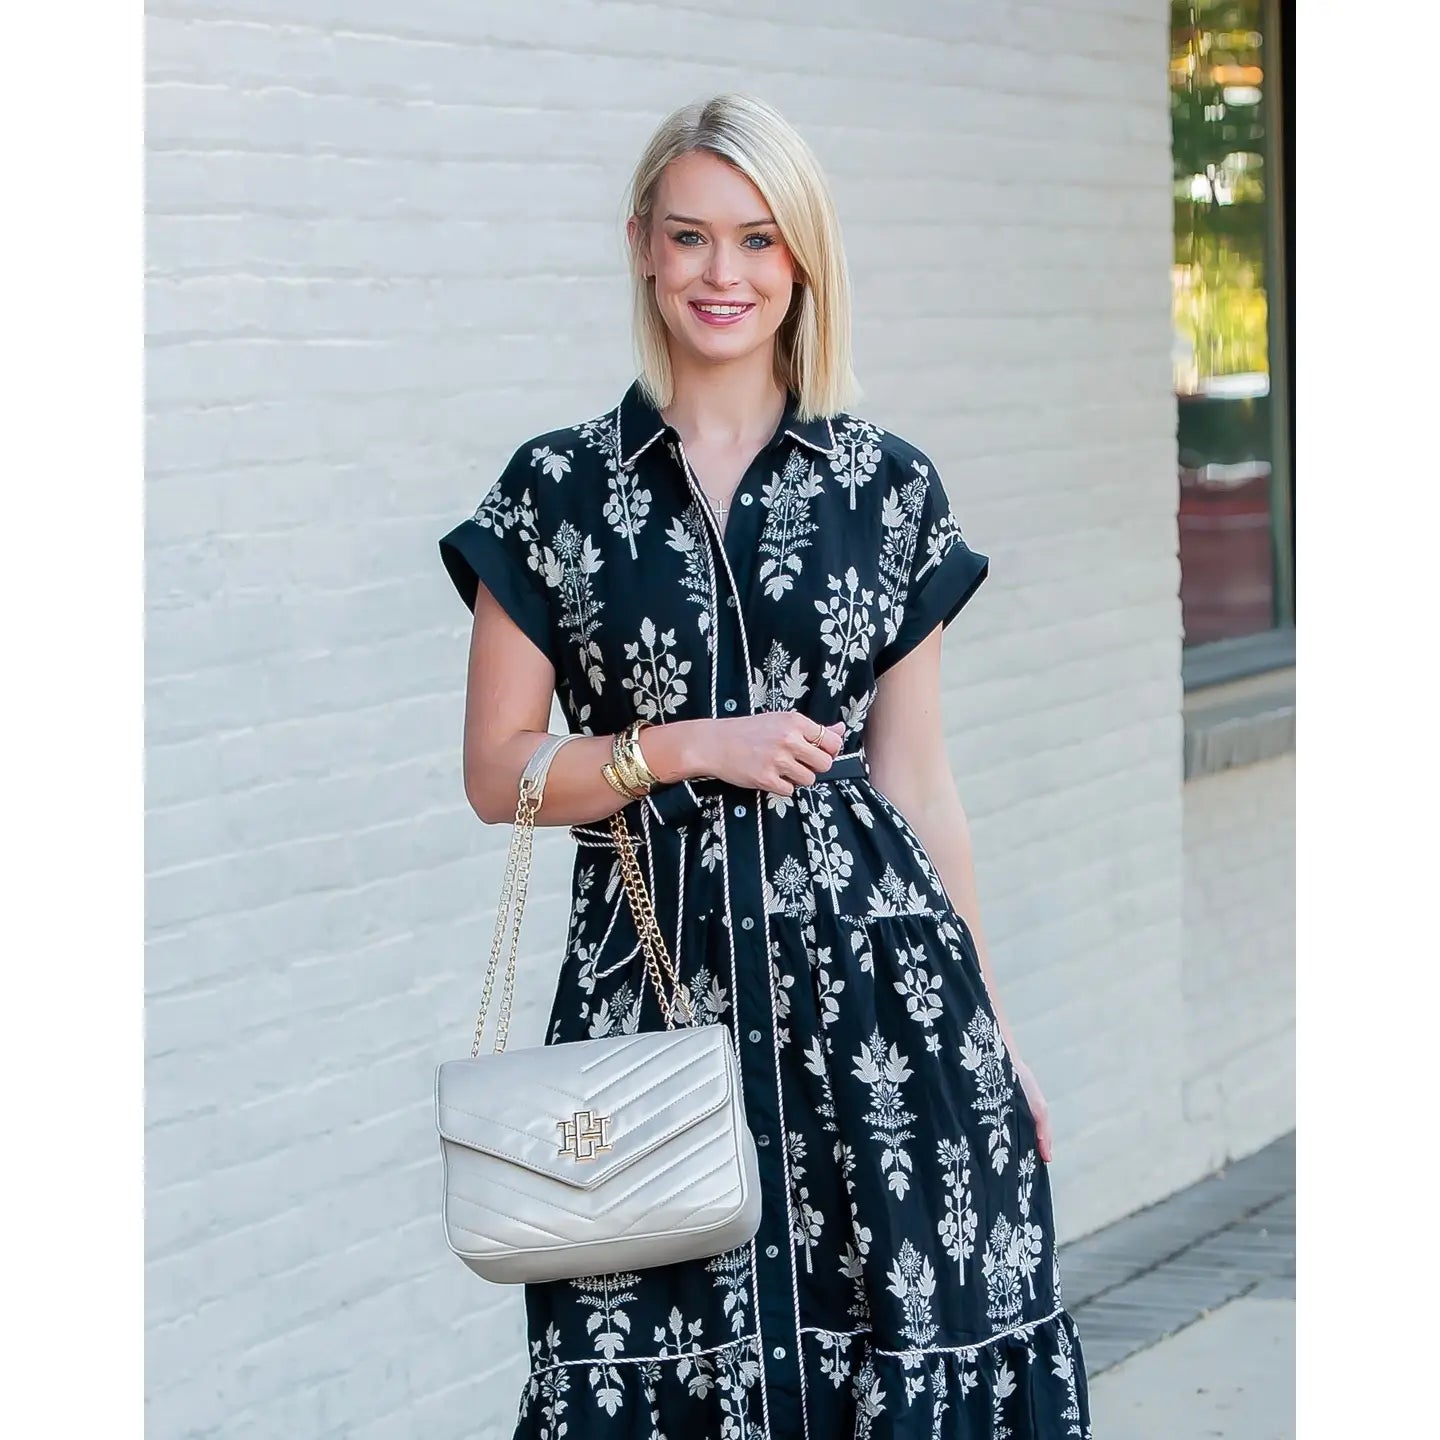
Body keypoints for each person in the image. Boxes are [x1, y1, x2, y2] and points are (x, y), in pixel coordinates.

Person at [438, 92, 1092, 1440]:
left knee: (897, 1352)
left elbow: (918, 786)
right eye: (690, 237)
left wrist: (998, 1033)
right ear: (642, 247)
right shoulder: (556, 491)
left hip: (882, 1008)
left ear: (802, 259)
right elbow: (499, 773)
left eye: (756, 239)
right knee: (653, 1365)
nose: (721, 273)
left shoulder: (886, 486)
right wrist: (687, 746)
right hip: (652, 1006)